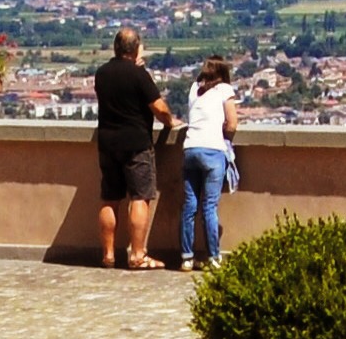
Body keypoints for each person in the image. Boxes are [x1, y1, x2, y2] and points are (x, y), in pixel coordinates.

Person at [92, 28, 166, 270]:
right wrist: (171, 121)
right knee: (140, 197)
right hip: (136, 143)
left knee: (110, 199)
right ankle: (137, 254)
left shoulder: (101, 74)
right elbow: (160, 108)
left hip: (107, 142)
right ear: (135, 49)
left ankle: (108, 255)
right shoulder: (138, 75)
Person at [177, 56, 240, 270]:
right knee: (209, 206)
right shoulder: (224, 90)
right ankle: (213, 257)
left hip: (190, 148)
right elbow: (232, 123)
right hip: (213, 151)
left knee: (190, 206)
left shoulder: (195, 88)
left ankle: (186, 257)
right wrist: (225, 139)